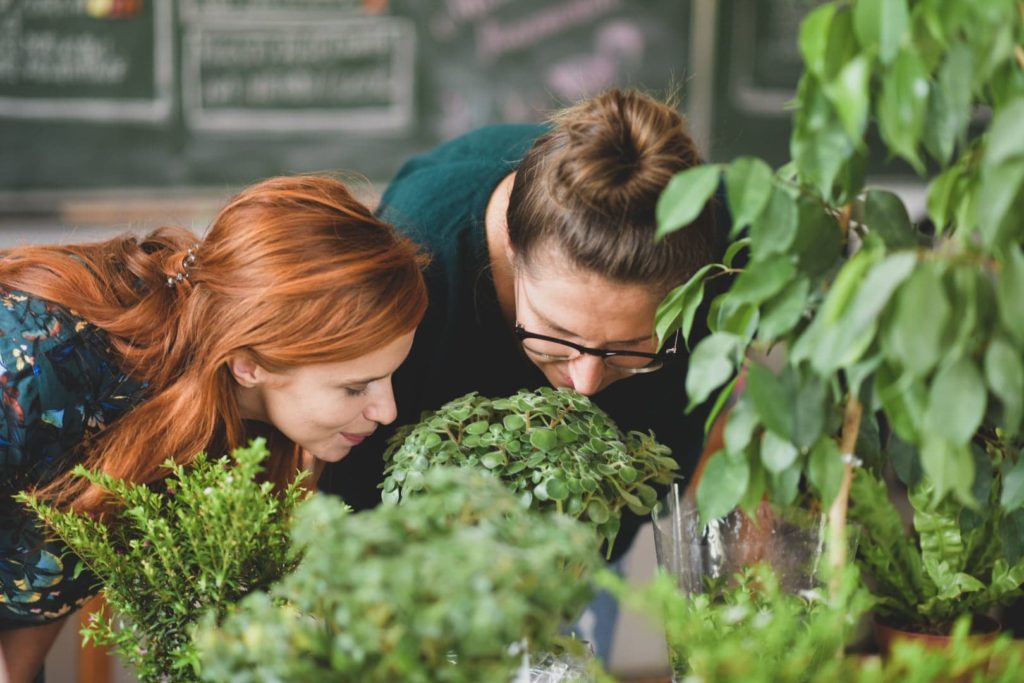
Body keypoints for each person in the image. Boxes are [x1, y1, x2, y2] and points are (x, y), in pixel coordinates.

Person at [0, 175, 428, 682]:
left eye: (389, 376)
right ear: (248, 362)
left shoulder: (232, 419)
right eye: (355, 387)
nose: (387, 412)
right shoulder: (34, 365)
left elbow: (49, 565)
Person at [320, 87, 724, 567]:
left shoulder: (714, 253)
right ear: (511, 243)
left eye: (628, 348)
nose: (584, 385)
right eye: (556, 336)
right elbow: (353, 496)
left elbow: (655, 470)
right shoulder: (420, 259)